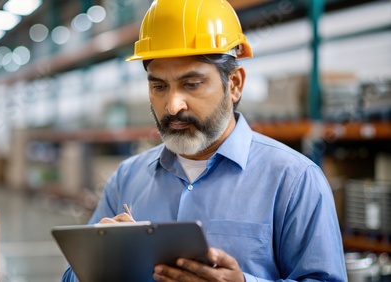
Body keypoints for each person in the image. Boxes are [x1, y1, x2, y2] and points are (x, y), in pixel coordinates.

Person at [62, 0, 347, 281]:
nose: (173, 106)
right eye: (159, 86)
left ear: (234, 84)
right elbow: (73, 275)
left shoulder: (294, 180)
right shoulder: (127, 178)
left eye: (192, 84)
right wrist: (103, 266)